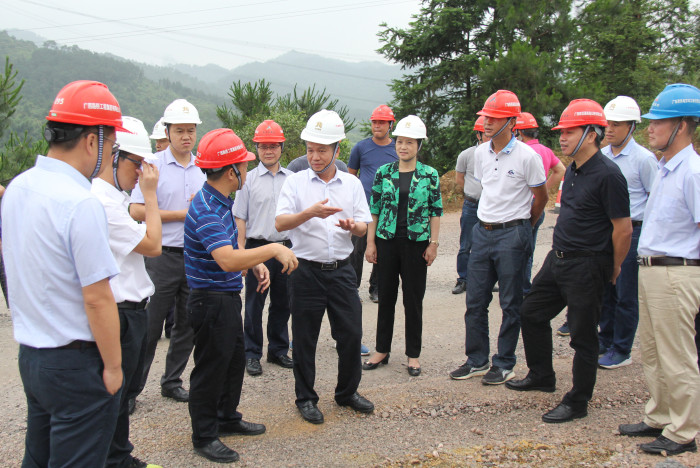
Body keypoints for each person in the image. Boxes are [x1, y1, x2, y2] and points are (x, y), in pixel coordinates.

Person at [2, 80, 125, 466]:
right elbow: (97, 297)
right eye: (112, 145)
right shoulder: (80, 203)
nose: (111, 155)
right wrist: (114, 367)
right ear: (91, 141)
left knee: (38, 458)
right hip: (75, 365)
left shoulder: (19, 187)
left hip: (33, 357)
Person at [506, 99, 632, 424]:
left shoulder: (609, 175)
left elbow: (623, 229)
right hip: (558, 258)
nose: (562, 138)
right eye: (561, 132)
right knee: (531, 312)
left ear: (591, 134)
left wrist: (614, 266)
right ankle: (542, 375)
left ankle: (578, 401)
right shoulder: (574, 169)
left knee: (582, 335)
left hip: (588, 264)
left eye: (569, 132)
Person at [184, 128, 297, 463]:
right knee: (210, 368)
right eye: (243, 164)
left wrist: (254, 262)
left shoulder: (221, 201)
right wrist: (271, 250)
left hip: (226, 296)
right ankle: (204, 435)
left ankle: (226, 417)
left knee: (232, 363)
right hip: (210, 300)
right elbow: (226, 259)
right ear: (230, 171)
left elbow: (232, 248)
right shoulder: (206, 207)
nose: (247, 169)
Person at [276, 109, 375, 425]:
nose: (314, 157)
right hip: (304, 270)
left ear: (337, 149)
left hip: (342, 270)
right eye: (310, 150)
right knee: (305, 338)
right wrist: (309, 213)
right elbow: (280, 223)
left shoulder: (351, 184)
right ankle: (305, 398)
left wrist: (352, 226)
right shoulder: (294, 183)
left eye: (321, 150)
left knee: (350, 334)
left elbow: (363, 225)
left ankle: (347, 392)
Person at [618, 84, 700, 456]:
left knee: (677, 355)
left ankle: (682, 431)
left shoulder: (692, 172)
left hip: (676, 272)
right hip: (653, 269)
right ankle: (661, 415)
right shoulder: (666, 168)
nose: (649, 128)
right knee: (652, 351)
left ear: (681, 126)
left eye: (658, 122)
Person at [449, 90, 547, 385]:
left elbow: (541, 197)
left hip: (512, 234)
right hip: (482, 231)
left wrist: (523, 227)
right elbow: (488, 189)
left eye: (494, 118)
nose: (487, 122)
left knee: (510, 302)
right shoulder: (480, 153)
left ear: (512, 122)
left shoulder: (527, 156)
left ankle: (504, 362)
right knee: (475, 301)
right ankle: (476, 359)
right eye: (485, 117)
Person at [92, 116, 163, 468]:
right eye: (136, 164)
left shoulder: (114, 198)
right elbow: (153, 245)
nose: (140, 173)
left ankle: (119, 456)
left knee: (120, 398)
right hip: (120, 311)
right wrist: (150, 195)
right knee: (113, 398)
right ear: (114, 157)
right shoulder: (104, 203)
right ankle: (114, 459)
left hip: (131, 309)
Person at [132, 99, 206, 405]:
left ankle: (172, 381)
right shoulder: (153, 166)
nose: (186, 136)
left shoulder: (203, 167)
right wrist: (180, 215)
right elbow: (136, 210)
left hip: (193, 256)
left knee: (186, 325)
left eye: (191, 130)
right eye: (179, 131)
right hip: (160, 255)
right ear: (167, 132)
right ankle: (132, 390)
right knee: (150, 326)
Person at [363, 115, 442, 376]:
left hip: (416, 244)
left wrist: (433, 244)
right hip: (386, 242)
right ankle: (381, 350)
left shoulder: (429, 174)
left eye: (409, 142)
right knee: (386, 298)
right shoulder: (384, 173)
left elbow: (435, 211)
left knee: (413, 300)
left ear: (419, 145)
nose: (403, 147)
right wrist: (371, 243)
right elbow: (374, 209)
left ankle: (413, 355)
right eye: (399, 142)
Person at [596, 96, 658, 369]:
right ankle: (605, 339)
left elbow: (655, 199)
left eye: (616, 124)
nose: (609, 129)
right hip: (605, 231)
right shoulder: (602, 156)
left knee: (625, 292)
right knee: (605, 290)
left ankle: (622, 349)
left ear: (632, 126)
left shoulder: (644, 159)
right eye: (607, 124)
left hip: (632, 232)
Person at [232, 120, 294, 376]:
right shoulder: (247, 180)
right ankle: (252, 353)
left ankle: (278, 350)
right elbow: (240, 218)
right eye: (263, 146)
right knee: (254, 304)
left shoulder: (292, 179)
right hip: (257, 248)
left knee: (283, 302)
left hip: (285, 247)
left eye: (273, 146)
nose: (268, 151)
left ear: (281, 147)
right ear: (256, 148)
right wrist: (241, 253)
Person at [348, 104, 398, 303]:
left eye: (382, 122)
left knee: (383, 249)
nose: (377, 125)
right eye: (375, 122)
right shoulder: (361, 148)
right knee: (356, 251)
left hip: (388, 210)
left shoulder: (397, 148)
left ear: (390, 124)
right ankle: (352, 288)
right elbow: (351, 177)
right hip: (363, 208)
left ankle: (376, 288)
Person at [513, 112, 566, 294]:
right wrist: (543, 190)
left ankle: (516, 288)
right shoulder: (545, 150)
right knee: (529, 248)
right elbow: (560, 170)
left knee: (513, 250)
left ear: (519, 132)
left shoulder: (519, 151)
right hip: (538, 205)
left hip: (521, 206)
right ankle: (524, 287)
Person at [452, 116, 488, 295]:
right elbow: (460, 178)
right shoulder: (466, 155)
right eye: (486, 133)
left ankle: (487, 279)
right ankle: (463, 279)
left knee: (489, 244)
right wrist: (472, 190)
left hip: (491, 207)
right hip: (472, 205)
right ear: (478, 135)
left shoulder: (499, 156)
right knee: (466, 244)